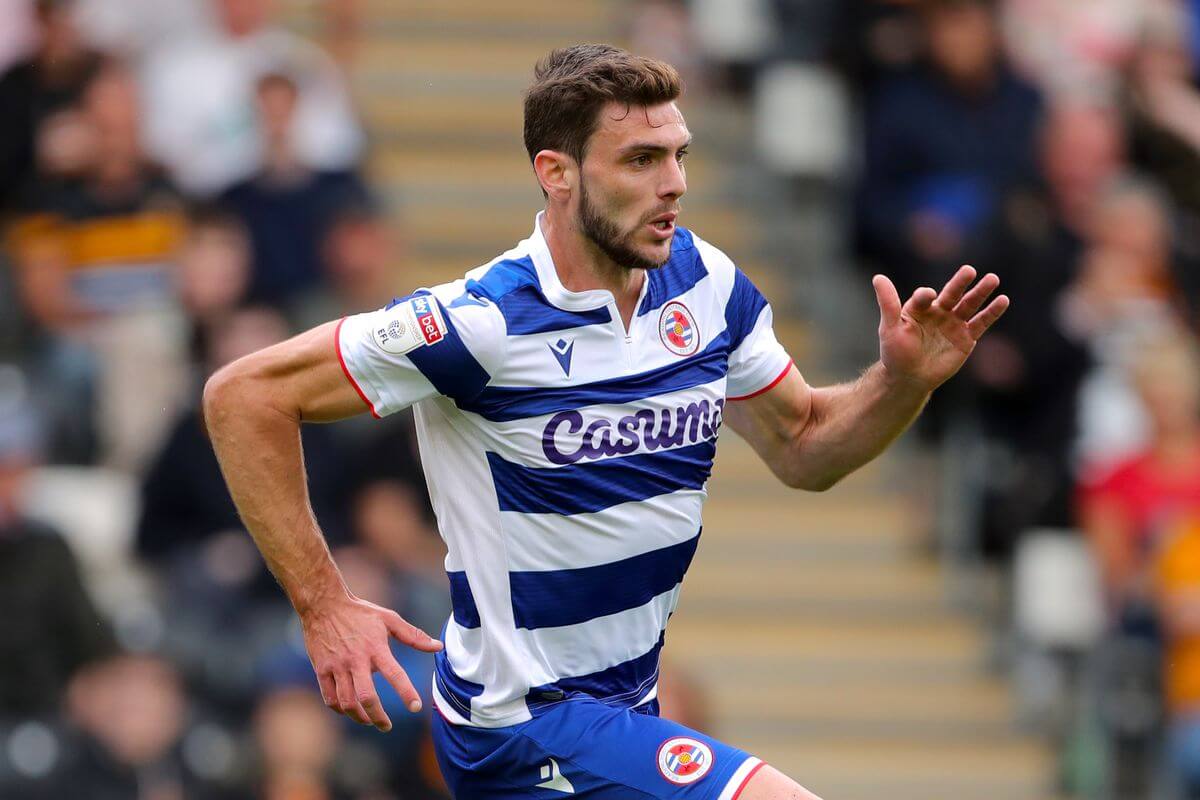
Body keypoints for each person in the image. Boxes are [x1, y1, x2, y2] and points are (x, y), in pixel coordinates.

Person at [203, 45, 1009, 800]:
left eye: (679, 155)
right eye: (640, 160)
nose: (674, 184)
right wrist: (323, 604)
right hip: (521, 721)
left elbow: (805, 449)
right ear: (556, 173)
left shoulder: (705, 285)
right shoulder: (483, 323)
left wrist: (902, 383)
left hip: (624, 709)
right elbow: (243, 397)